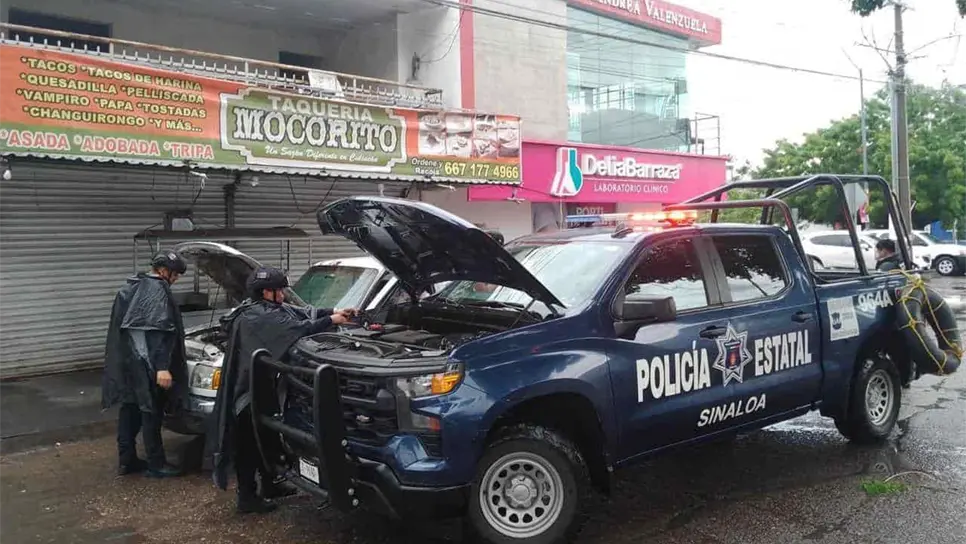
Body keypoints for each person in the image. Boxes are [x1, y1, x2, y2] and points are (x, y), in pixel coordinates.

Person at [210, 266, 358, 514]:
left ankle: (270, 484)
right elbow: (298, 329)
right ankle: (247, 497)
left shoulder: (267, 308)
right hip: (246, 392)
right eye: (280, 290)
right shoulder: (258, 317)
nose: (283, 294)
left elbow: (301, 313)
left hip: (262, 386)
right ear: (267, 292)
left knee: (267, 438)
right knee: (248, 443)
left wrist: (333, 311)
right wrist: (332, 321)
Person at [102, 250, 189, 478]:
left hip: (127, 362)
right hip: (146, 365)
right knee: (150, 413)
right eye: (175, 274)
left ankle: (127, 460)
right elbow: (157, 333)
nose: (176, 279)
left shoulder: (131, 287)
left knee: (129, 411)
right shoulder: (157, 291)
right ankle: (156, 464)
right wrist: (161, 368)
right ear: (163, 271)